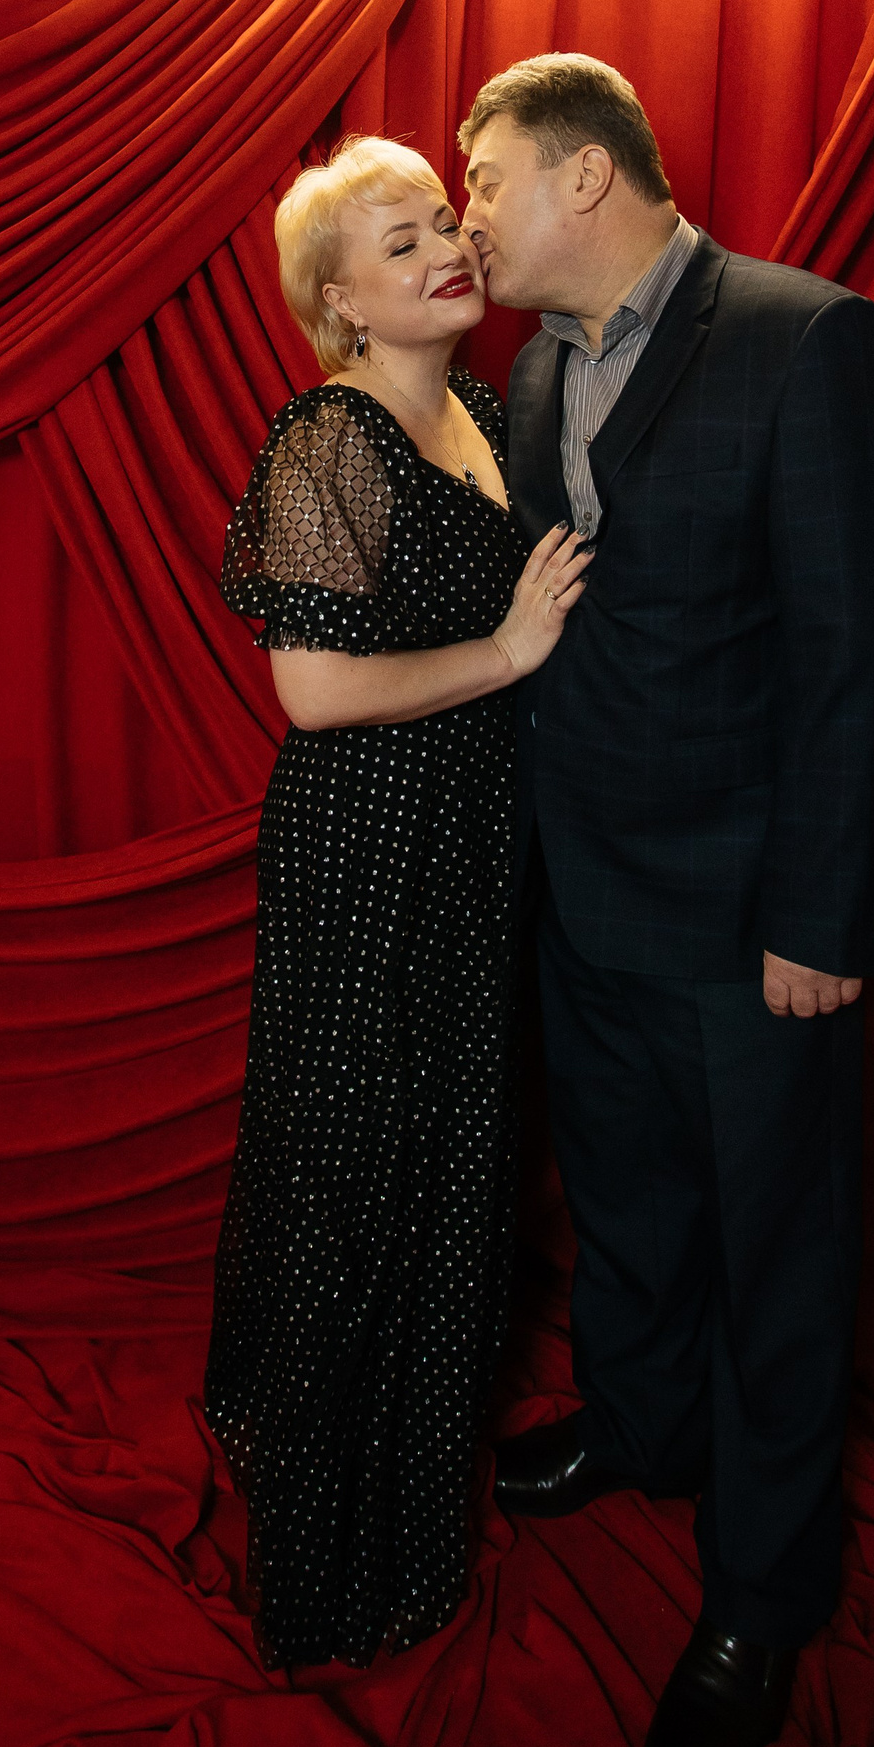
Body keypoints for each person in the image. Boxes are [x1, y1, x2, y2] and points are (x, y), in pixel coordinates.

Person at [459, 54, 874, 1747]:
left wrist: (823, 913)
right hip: (584, 900)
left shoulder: (810, 340)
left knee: (778, 1263)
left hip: (752, 930)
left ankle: (760, 1596)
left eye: (486, 176)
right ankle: (642, 1430)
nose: (468, 213)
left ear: (586, 175)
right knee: (631, 1207)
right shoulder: (532, 371)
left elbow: (859, 654)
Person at [209, 134, 592, 1668]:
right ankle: (328, 1536)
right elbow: (311, 694)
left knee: (455, 1153)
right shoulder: (329, 439)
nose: (446, 248)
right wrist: (506, 654)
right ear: (342, 304)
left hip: (475, 847)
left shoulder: (490, 415)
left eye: (442, 219)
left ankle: (414, 1489)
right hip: (364, 853)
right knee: (357, 1166)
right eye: (400, 242)